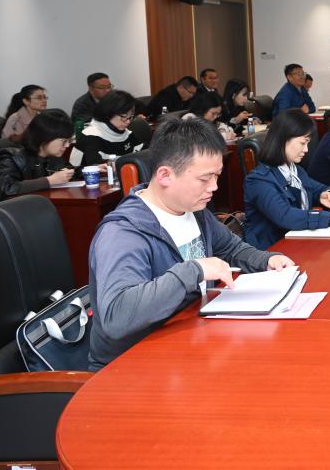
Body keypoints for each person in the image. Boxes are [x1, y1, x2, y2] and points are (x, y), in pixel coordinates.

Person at [87, 118, 295, 369]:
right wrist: (193, 270)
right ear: (165, 175)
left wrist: (267, 260)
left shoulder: (192, 209)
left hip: (192, 340)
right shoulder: (122, 233)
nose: (214, 187)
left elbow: (230, 248)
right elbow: (116, 316)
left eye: (216, 176)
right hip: (135, 366)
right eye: (205, 179)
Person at [243, 110, 330, 249]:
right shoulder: (258, 180)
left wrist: (323, 194)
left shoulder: (295, 170)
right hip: (271, 251)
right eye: (302, 143)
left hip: (297, 242)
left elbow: (316, 188)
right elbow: (285, 216)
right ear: (283, 139)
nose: (306, 149)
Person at [0, 109, 75, 203]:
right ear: (45, 137)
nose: (67, 145)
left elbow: (69, 170)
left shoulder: (53, 157)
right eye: (64, 141)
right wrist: (49, 181)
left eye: (69, 140)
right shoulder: (11, 158)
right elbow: (5, 188)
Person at [71, 90, 143, 166]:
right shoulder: (91, 136)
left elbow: (144, 153)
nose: (128, 121)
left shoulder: (126, 133)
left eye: (131, 117)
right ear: (109, 113)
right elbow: (95, 166)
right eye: (124, 116)